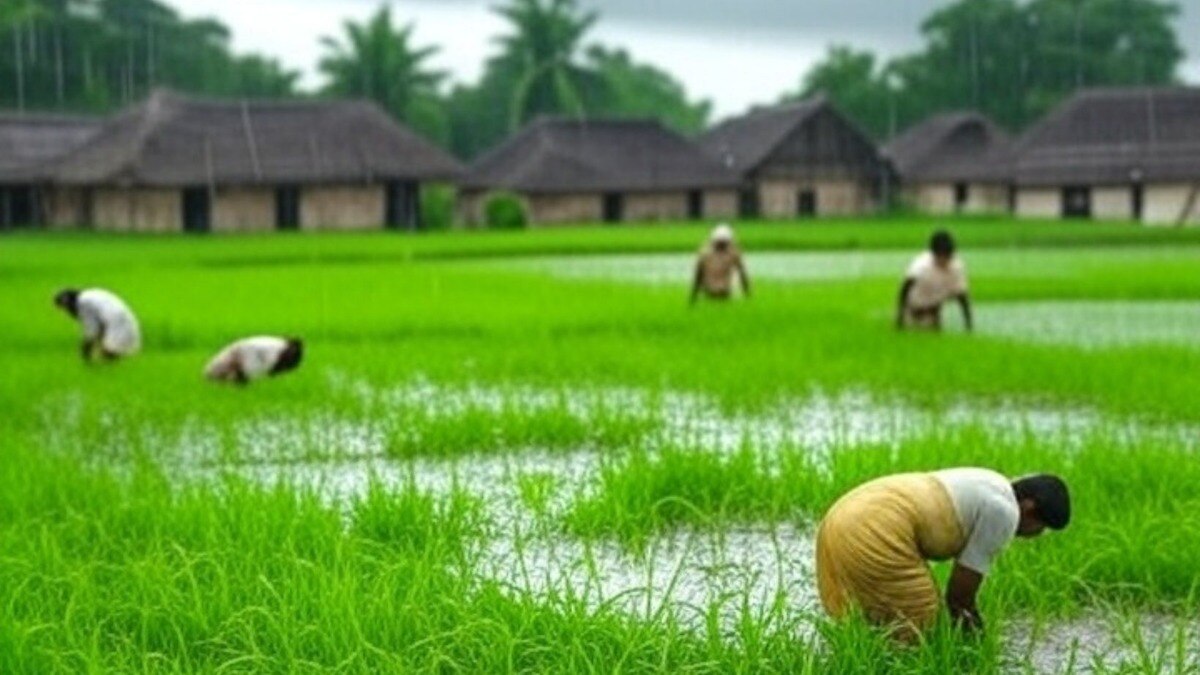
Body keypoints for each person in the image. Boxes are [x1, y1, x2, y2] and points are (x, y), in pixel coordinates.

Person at [816, 469, 1070, 641]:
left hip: (843, 513)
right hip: (877, 522)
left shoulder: (991, 481)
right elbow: (959, 598)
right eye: (1042, 528)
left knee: (867, 623)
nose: (1036, 536)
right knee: (921, 632)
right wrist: (978, 645)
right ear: (1028, 508)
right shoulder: (1005, 511)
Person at [896, 230, 972, 331]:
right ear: (934, 254)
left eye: (948, 256)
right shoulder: (921, 266)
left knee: (933, 335)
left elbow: (962, 296)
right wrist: (900, 315)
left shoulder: (956, 267)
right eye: (941, 257)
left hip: (933, 311)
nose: (945, 261)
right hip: (913, 309)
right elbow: (905, 287)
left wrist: (968, 324)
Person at [53, 288, 142, 362]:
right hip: (120, 319)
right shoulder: (89, 295)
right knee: (111, 353)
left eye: (65, 308)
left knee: (108, 355)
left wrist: (86, 349)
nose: (67, 311)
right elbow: (99, 325)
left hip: (115, 321)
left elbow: (92, 328)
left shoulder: (83, 302)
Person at [691, 223, 751, 304]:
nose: (722, 246)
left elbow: (743, 275)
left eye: (724, 243)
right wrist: (693, 297)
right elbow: (698, 277)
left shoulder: (733, 254)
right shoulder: (705, 254)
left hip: (725, 294)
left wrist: (747, 295)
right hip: (709, 294)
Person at [204, 336, 304, 384]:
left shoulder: (280, 346)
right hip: (249, 350)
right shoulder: (277, 349)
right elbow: (271, 368)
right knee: (215, 373)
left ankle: (229, 384)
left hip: (249, 349)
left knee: (239, 373)